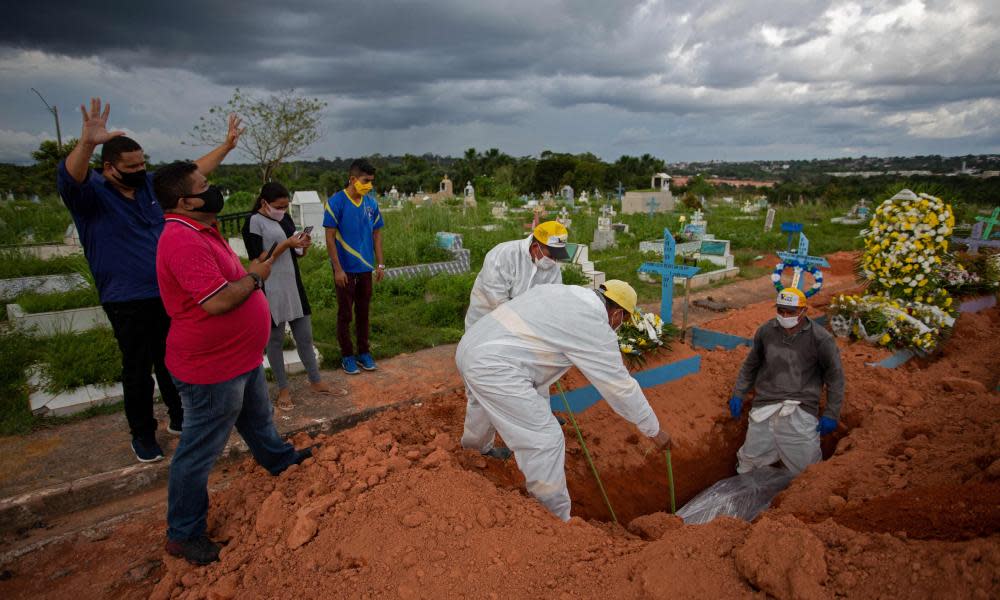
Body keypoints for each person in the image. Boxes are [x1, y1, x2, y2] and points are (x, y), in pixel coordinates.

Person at [56, 98, 243, 463]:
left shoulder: (148, 189)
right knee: (138, 368)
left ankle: (179, 417)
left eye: (143, 163)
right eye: (132, 166)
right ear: (109, 168)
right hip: (126, 298)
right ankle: (143, 434)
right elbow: (70, 176)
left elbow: (192, 173)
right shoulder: (90, 194)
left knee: (172, 359)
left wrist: (227, 146)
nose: (140, 170)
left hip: (169, 293)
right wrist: (87, 144)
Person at [153, 161, 311, 565]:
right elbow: (219, 300)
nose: (213, 189)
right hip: (211, 369)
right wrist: (256, 277)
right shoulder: (183, 240)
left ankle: (280, 460)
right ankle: (184, 533)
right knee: (199, 450)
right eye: (204, 185)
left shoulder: (200, 230)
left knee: (258, 419)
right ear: (184, 201)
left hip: (240, 358)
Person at [456, 280, 673, 521]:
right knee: (546, 440)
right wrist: (653, 430)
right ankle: (555, 518)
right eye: (622, 321)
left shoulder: (562, 292)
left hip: (471, 346)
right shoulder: (594, 327)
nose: (619, 326)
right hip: (495, 365)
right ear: (617, 314)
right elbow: (620, 387)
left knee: (483, 400)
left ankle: (473, 454)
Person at [242, 182, 340, 410]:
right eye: (278, 206)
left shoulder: (284, 219)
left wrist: (302, 246)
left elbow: (296, 254)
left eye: (286, 206)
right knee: (274, 341)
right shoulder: (253, 223)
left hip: (293, 285)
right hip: (270, 287)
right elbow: (258, 259)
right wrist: (286, 243)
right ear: (264, 202)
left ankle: (315, 380)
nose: (283, 210)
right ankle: (283, 389)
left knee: (305, 336)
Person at [728, 287, 845, 475]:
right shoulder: (766, 331)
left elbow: (835, 377)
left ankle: (797, 501)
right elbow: (750, 365)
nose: (784, 315)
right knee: (750, 460)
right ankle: (745, 496)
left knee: (807, 469)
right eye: (780, 311)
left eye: (790, 312)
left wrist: (832, 413)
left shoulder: (821, 339)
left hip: (800, 408)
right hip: (765, 406)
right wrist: (739, 393)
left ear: (803, 311)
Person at [323, 159, 385, 375]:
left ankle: (364, 353)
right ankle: (347, 355)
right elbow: (329, 238)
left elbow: (377, 235)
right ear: (353, 179)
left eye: (371, 182)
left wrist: (380, 263)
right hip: (345, 269)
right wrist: (337, 269)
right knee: (345, 314)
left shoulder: (371, 204)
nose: (369, 185)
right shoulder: (336, 202)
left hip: (365, 268)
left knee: (363, 312)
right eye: (365, 181)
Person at [463, 220, 570, 330]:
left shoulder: (552, 267)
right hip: (485, 322)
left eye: (557, 257)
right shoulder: (503, 255)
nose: (554, 261)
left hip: (524, 327)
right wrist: (523, 325)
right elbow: (497, 300)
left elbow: (554, 298)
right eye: (551, 256)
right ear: (535, 247)